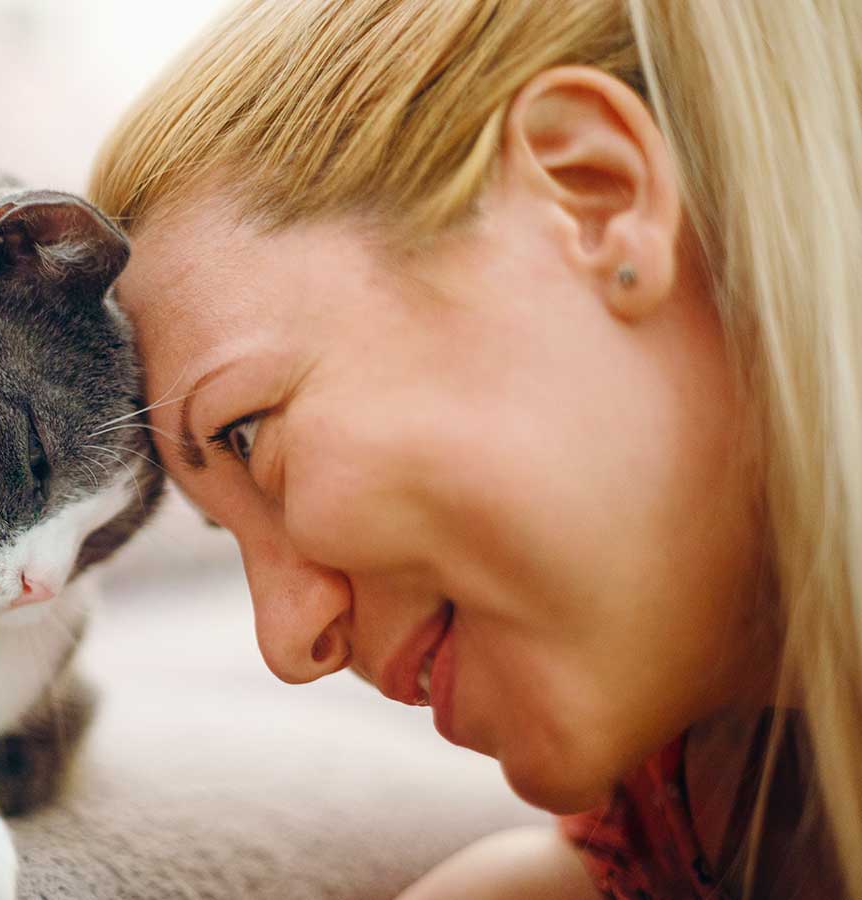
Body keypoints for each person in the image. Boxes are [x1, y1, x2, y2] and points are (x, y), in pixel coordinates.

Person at [89, 1, 860, 897]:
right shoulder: (680, 829)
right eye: (230, 538)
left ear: (594, 195)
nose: (287, 641)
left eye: (249, 435)